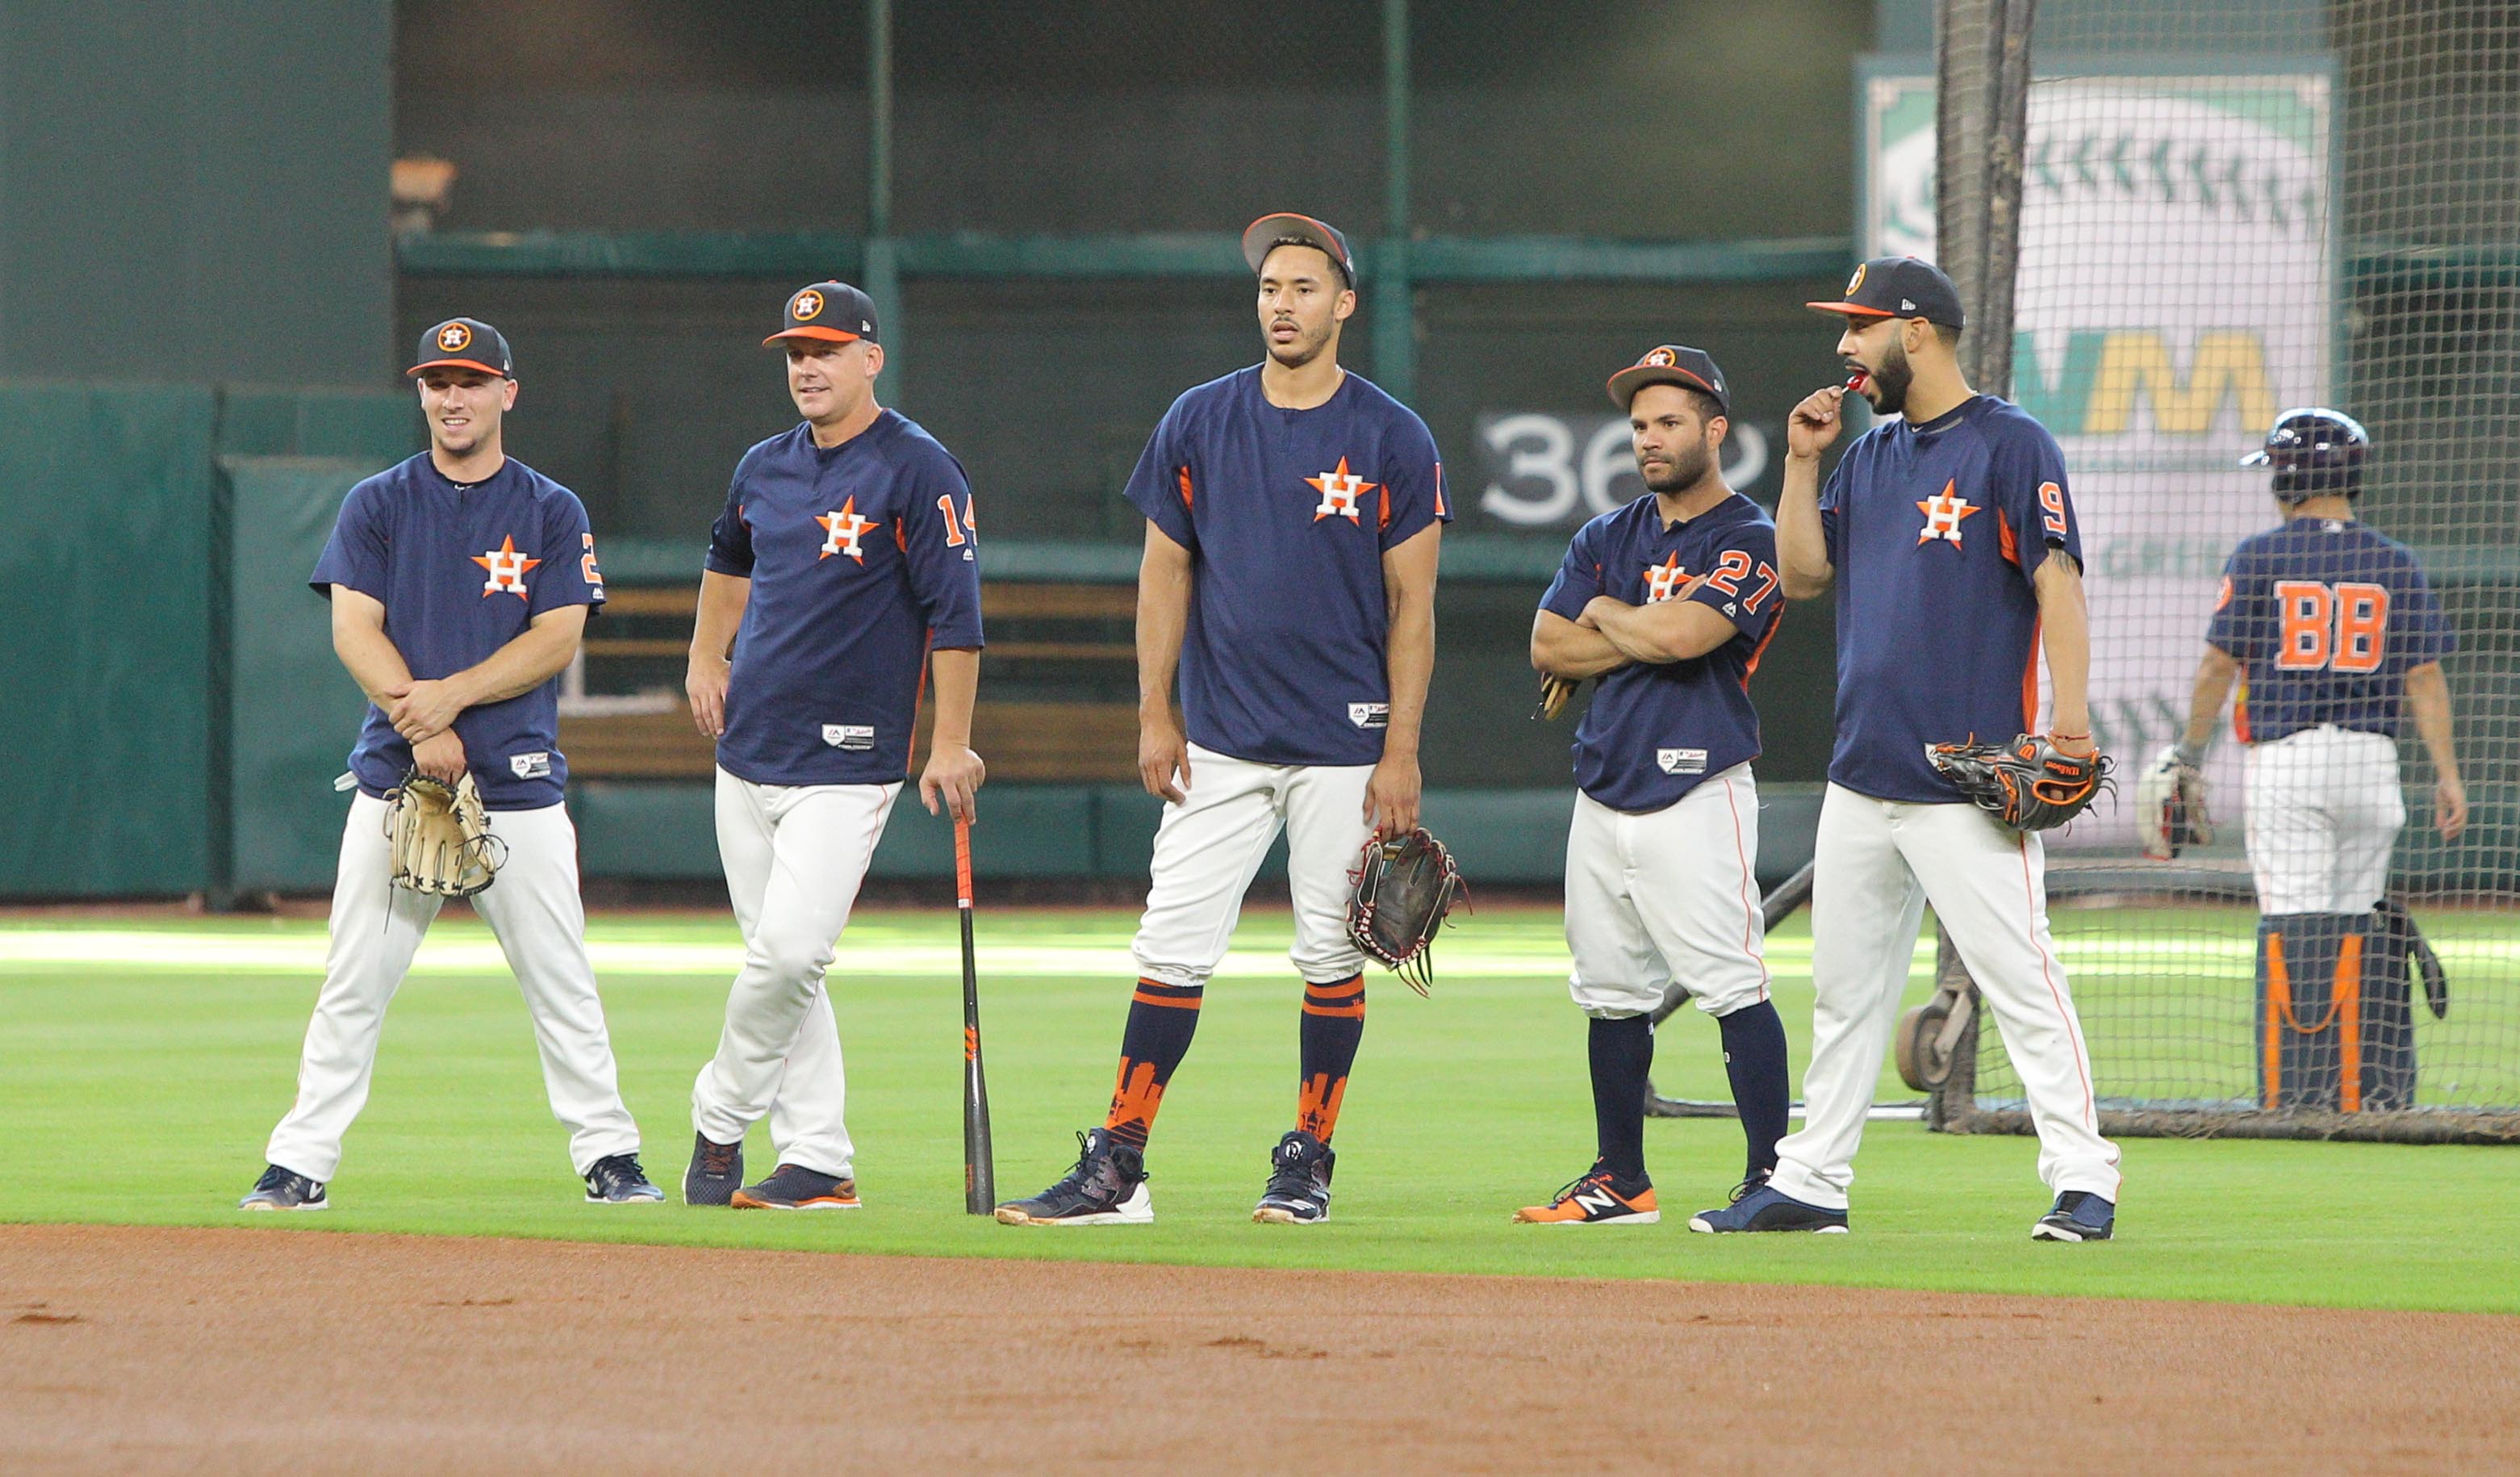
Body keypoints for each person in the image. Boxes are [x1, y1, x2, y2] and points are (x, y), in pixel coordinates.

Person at [995, 212, 1448, 1228]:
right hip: (1223, 738)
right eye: (1268, 289)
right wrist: (1155, 711)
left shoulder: (1390, 435)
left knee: (1332, 955)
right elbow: (1165, 571)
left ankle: (1307, 1161)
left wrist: (1402, 747)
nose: (1280, 305)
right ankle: (1119, 1164)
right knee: (1171, 946)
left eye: (1300, 288)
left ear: (1344, 303)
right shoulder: (1200, 418)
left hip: (1346, 741)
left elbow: (1414, 606)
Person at [1696, 257, 2124, 1242]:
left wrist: (2070, 722)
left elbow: (2059, 582)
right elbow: (1802, 577)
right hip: (1864, 771)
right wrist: (1802, 462)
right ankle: (1812, 1180)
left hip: (1967, 774)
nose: (1844, 345)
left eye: (1859, 326)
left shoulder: (2010, 444)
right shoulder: (1868, 455)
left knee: (2021, 977)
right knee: (1845, 995)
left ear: (1916, 330)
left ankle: (2085, 1176)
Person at [241, 317, 660, 1211]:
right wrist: (420, 721)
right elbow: (353, 627)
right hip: (400, 785)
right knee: (354, 978)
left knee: (562, 982)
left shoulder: (551, 508)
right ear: (422, 393)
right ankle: (300, 1162)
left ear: (507, 392)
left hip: (517, 784)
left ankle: (610, 1155)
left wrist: (451, 697)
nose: (452, 397)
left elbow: (558, 636)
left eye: (471, 381)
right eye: (437, 382)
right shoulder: (378, 502)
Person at [681, 281, 986, 1211]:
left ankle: (719, 1117)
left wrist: (951, 743)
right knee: (786, 972)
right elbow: (729, 561)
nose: (807, 368)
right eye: (794, 354)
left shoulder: (917, 466)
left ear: (870, 358)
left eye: (824, 351)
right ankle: (817, 1158)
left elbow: (958, 615)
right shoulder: (763, 465)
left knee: (786, 957)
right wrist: (704, 652)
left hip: (849, 761)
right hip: (747, 751)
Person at [1517, 345, 1791, 1227]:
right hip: (1603, 785)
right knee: (1608, 991)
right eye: (1639, 424)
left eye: (1670, 421)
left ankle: (1770, 1179)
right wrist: (1630, 626)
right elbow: (1549, 647)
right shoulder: (1607, 535)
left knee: (1730, 984)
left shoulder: (1753, 535)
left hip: (1698, 784)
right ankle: (1620, 1179)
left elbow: (1686, 641)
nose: (1650, 438)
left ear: (1716, 430)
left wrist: (1606, 613)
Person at [2159, 408, 2462, 1108]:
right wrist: (2446, 775)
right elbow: (2424, 678)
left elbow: (2215, 667)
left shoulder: (2260, 556)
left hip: (2290, 764)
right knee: (2358, 923)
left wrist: (2189, 753)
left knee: (2295, 925)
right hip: (2373, 766)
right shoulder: (2392, 560)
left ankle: (2299, 1098)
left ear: (2288, 478)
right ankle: (2368, 1094)